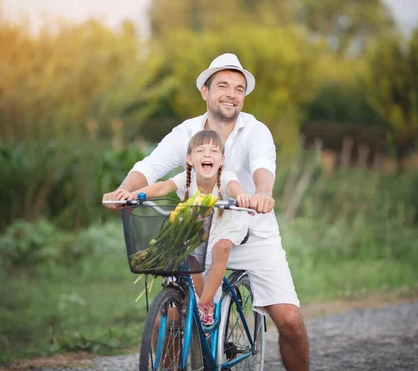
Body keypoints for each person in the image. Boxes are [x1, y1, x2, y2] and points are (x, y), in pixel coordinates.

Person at [103, 52, 310, 370]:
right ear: (206, 91)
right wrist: (125, 191)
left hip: (250, 227)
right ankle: (197, 320)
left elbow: (263, 170)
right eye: (223, 85)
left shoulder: (256, 131)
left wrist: (263, 196)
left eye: (239, 88)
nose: (232, 94)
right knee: (167, 321)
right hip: (196, 229)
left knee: (290, 319)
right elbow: (150, 168)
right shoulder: (186, 133)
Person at [118, 129, 253, 325]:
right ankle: (202, 301)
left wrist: (241, 195)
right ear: (190, 159)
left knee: (221, 248)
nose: (207, 154)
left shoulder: (225, 177)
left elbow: (234, 187)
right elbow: (162, 187)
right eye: (200, 150)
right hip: (199, 229)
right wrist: (135, 194)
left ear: (222, 159)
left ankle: (205, 304)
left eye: (214, 151)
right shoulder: (186, 179)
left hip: (226, 226)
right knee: (188, 258)